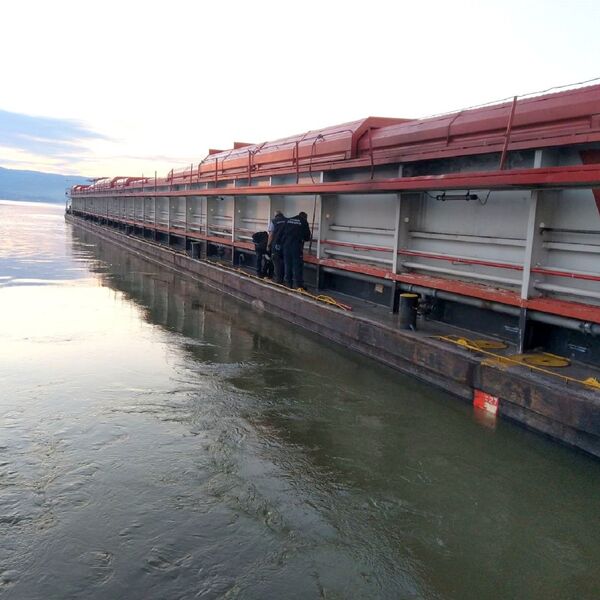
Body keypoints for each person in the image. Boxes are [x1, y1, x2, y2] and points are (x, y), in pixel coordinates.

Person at [281, 211, 311, 290]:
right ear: (305, 217)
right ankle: (299, 285)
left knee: (287, 265)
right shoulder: (304, 222)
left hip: (286, 246)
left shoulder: (288, 220)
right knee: (297, 266)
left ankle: (288, 284)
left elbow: (282, 233)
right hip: (296, 247)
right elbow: (307, 237)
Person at [267, 210, 286, 284]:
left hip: (276, 245)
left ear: (276, 215)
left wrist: (268, 245)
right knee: (284, 262)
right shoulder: (287, 221)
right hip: (285, 245)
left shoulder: (273, 221)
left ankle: (279, 280)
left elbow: (271, 235)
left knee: (276, 262)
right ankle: (284, 279)